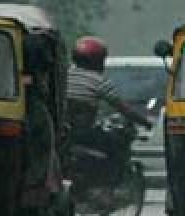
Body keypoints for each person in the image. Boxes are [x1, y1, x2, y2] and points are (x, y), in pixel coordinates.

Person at [65, 36, 152, 184]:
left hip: (63, 131)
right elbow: (122, 107)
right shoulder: (98, 81)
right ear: (97, 60)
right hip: (84, 132)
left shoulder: (65, 75)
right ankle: (107, 183)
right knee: (116, 145)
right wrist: (144, 122)